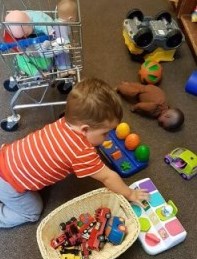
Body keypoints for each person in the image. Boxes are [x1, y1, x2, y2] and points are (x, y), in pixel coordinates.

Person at [0, 78, 148, 228]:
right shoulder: (82, 152)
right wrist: (130, 194)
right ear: (84, 130)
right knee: (32, 212)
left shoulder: (65, 121)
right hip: (10, 184)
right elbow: (108, 177)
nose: (107, 137)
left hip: (5, 156)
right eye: (105, 133)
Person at [117, 81, 184, 131]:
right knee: (132, 92)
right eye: (162, 123)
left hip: (152, 89)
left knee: (139, 86)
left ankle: (127, 84)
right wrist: (134, 108)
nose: (161, 125)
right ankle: (120, 87)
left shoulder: (165, 106)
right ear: (167, 116)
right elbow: (141, 105)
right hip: (144, 93)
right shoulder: (153, 108)